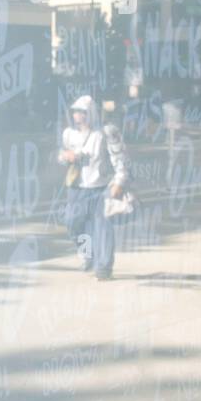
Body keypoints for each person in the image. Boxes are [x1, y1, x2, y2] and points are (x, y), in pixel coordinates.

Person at [59, 94, 129, 281]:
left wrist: (119, 182)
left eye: (82, 112)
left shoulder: (106, 132)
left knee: (103, 228)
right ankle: (87, 254)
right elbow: (61, 155)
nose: (77, 116)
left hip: (102, 187)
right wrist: (66, 157)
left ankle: (104, 268)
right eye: (75, 112)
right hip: (77, 188)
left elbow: (120, 158)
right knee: (73, 222)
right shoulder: (68, 134)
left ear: (90, 113)